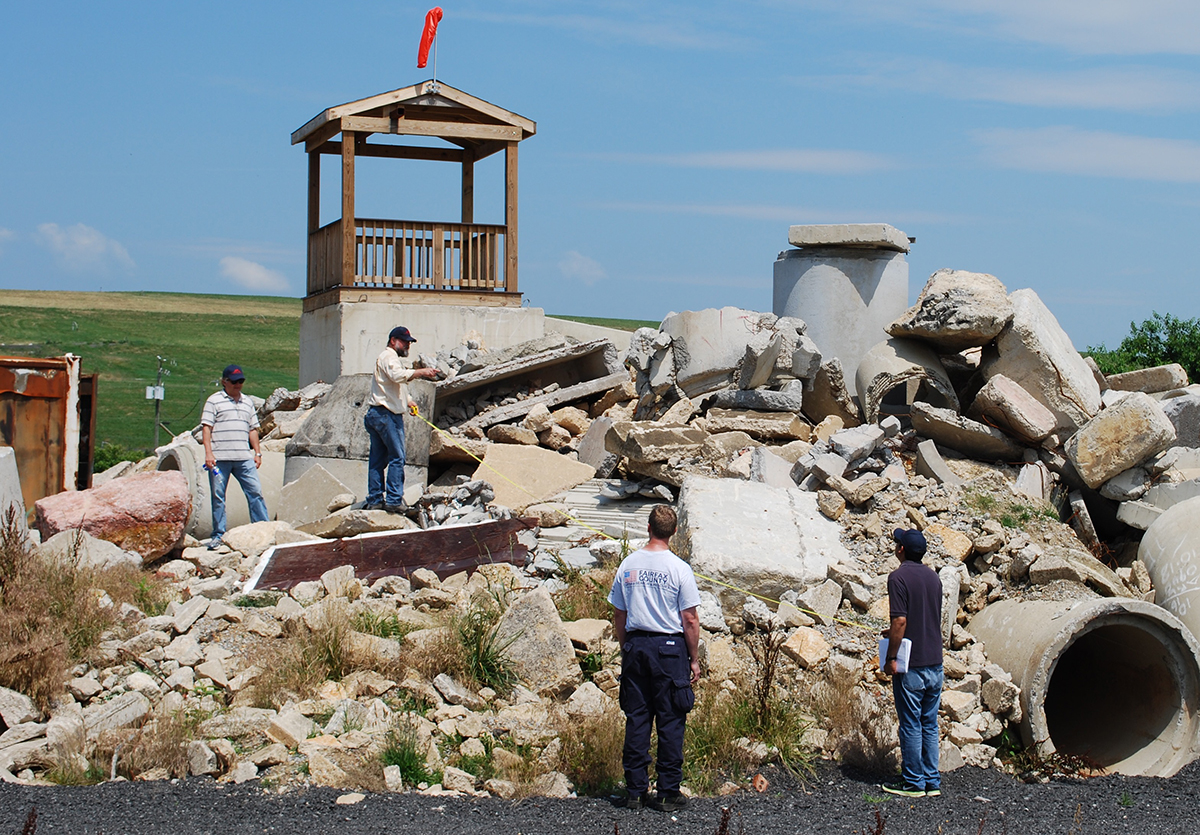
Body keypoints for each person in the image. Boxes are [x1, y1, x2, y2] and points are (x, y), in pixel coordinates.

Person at [608, 505, 701, 812]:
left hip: (636, 645)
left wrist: (626, 646)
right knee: (671, 719)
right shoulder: (679, 568)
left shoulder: (628, 565)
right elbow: (689, 619)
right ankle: (666, 791)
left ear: (648, 527)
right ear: (674, 532)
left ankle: (635, 791)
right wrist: (694, 658)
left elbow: (619, 613)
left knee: (637, 718)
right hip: (669, 648)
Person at [882, 528, 944, 798]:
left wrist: (891, 658)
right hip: (936, 662)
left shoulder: (898, 578)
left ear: (901, 550)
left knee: (910, 723)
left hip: (913, 664)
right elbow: (926, 618)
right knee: (930, 723)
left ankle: (913, 783)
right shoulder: (934, 578)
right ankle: (932, 782)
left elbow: (901, 621)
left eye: (897, 543)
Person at [364, 326, 440, 512]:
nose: (407, 345)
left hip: (377, 413)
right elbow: (397, 376)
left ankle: (375, 499)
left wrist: (409, 401)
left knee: (377, 460)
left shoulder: (388, 358)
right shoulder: (389, 357)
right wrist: (421, 372)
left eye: (409, 342)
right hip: (386, 415)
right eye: (404, 341)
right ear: (393, 341)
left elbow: (393, 386)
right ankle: (393, 500)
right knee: (397, 457)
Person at [201, 364, 268, 549]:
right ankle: (218, 534)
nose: (238, 385)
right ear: (224, 382)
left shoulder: (247, 402)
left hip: (243, 457)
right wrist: (208, 453)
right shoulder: (214, 401)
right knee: (218, 496)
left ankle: (263, 528)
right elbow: (207, 428)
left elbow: (253, 429)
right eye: (234, 381)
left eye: (241, 381)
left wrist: (257, 452)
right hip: (220, 458)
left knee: (255, 492)